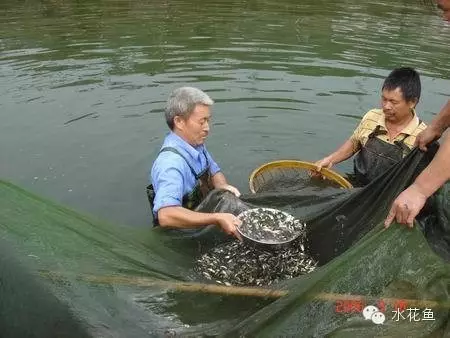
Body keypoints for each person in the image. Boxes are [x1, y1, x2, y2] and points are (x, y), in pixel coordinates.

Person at [384, 0, 450, 227]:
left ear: (413, 103)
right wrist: (438, 126)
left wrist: (420, 189)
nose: (445, 19)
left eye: (447, 10)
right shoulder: (373, 119)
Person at [147, 86, 242, 239]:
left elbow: (214, 171)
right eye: (202, 121)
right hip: (180, 237)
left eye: (208, 121)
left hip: (202, 217)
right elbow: (166, 216)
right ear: (179, 121)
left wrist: (223, 188)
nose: (207, 128)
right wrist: (217, 218)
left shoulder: (195, 144)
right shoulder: (170, 164)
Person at [313, 67, 426, 186]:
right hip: (358, 185)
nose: (386, 106)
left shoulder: (423, 136)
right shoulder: (371, 117)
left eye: (393, 102)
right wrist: (330, 160)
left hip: (392, 194)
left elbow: (423, 181)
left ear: (412, 102)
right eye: (384, 99)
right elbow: (355, 142)